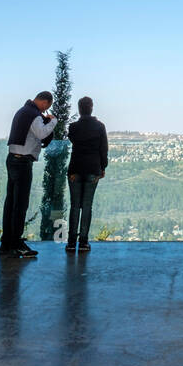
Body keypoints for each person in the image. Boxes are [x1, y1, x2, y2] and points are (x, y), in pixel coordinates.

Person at [0, 91, 57, 260]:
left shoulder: (21, 111)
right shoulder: (34, 114)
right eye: (47, 107)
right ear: (45, 103)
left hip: (12, 159)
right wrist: (53, 121)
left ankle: (7, 242)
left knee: (10, 203)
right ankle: (17, 244)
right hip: (22, 162)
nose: (46, 111)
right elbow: (41, 134)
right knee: (20, 204)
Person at [66, 97, 108, 254]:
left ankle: (71, 242)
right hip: (93, 168)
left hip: (75, 169)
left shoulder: (73, 127)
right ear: (91, 108)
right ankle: (83, 242)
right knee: (87, 206)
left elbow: (73, 139)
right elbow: (103, 149)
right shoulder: (99, 126)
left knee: (75, 205)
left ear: (79, 108)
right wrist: (102, 167)